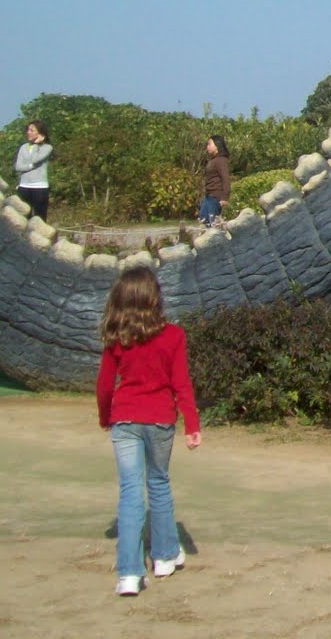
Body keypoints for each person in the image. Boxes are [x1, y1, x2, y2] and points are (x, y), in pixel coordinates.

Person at [96, 267, 202, 597]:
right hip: (159, 420)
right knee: (158, 483)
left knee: (130, 492)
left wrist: (105, 417)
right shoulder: (173, 335)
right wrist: (192, 424)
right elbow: (181, 384)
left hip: (125, 419)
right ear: (155, 298)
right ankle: (164, 557)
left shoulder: (118, 337)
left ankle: (130, 573)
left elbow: (103, 385)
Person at [14, 119, 53, 221]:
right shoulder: (23, 147)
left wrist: (36, 144)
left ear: (40, 133)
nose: (28, 132)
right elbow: (18, 167)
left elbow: (35, 159)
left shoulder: (47, 147)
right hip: (24, 186)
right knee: (23, 217)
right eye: (28, 130)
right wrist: (31, 166)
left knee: (39, 218)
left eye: (32, 130)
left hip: (40, 187)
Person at [197, 135, 230, 226]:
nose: (207, 147)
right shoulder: (213, 160)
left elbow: (226, 179)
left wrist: (225, 198)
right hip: (209, 197)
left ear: (217, 145)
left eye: (209, 144)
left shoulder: (221, 160)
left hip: (215, 197)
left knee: (212, 225)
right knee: (203, 221)